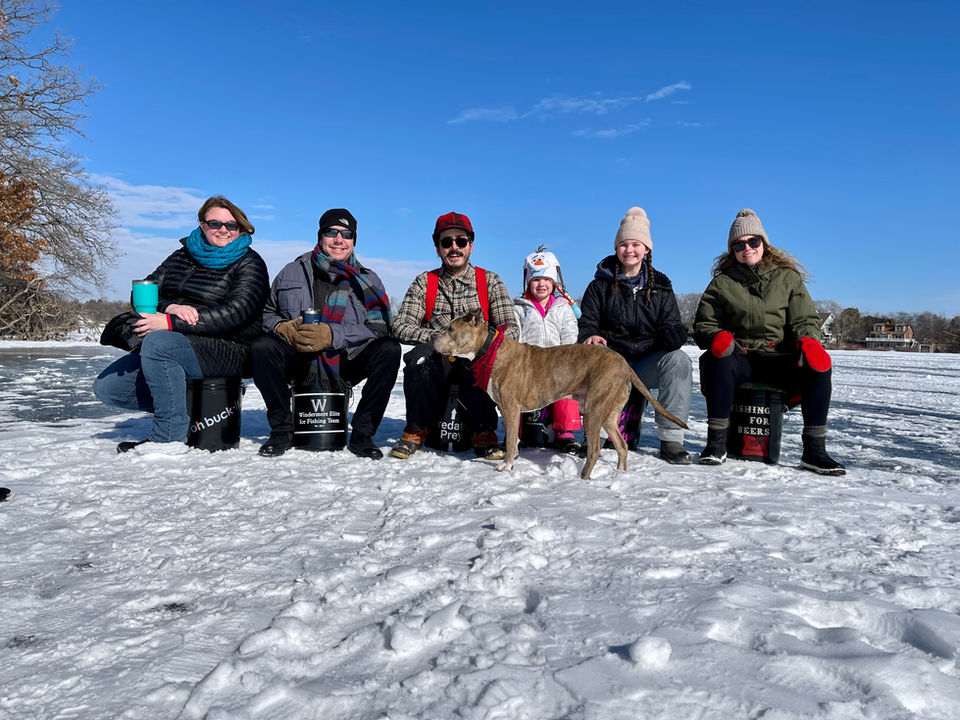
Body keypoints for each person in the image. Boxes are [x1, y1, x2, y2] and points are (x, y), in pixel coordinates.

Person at [94, 196, 269, 452]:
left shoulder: (250, 262)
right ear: (202, 225)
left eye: (231, 225)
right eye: (215, 223)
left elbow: (236, 313)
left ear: (240, 228)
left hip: (230, 347)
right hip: (177, 342)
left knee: (159, 343)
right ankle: (195, 404)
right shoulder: (181, 256)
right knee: (109, 388)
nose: (223, 230)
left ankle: (168, 437)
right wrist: (170, 307)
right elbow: (142, 292)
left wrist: (169, 322)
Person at [693, 208, 845, 474]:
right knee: (718, 360)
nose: (747, 248)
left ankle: (814, 451)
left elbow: (804, 319)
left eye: (753, 241)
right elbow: (705, 324)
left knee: (819, 365)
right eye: (739, 245)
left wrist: (809, 341)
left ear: (763, 242)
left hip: (779, 358)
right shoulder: (722, 283)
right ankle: (716, 444)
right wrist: (718, 337)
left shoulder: (788, 278)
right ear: (732, 250)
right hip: (741, 358)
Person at [251, 208, 400, 459]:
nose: (339, 240)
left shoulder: (368, 280)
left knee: (389, 348)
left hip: (346, 359)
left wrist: (333, 335)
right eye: (331, 232)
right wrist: (282, 328)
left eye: (347, 234)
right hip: (299, 357)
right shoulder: (292, 271)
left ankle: (363, 434)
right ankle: (281, 431)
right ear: (320, 236)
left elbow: (379, 328)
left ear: (353, 241)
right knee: (262, 346)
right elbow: (267, 312)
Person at [391, 211, 518, 460]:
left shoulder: (490, 281)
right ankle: (416, 429)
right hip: (439, 354)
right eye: (446, 242)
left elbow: (510, 327)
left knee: (484, 363)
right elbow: (401, 325)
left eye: (461, 241)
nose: (454, 247)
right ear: (438, 248)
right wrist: (440, 338)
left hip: (475, 356)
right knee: (418, 361)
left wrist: (480, 344)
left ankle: (484, 432)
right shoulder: (424, 282)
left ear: (471, 245)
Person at [577, 207, 692, 464]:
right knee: (595, 357)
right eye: (623, 244)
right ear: (616, 248)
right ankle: (595, 435)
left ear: (646, 249)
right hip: (612, 363)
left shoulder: (661, 285)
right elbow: (587, 322)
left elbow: (671, 323)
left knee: (679, 360)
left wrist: (673, 334)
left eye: (636, 244)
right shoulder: (599, 285)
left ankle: (671, 441)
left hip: (645, 364)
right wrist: (590, 335)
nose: (629, 250)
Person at [512, 247, 582, 454]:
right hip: (529, 365)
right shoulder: (520, 308)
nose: (541, 284)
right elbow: (515, 336)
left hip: (557, 363)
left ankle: (565, 431)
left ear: (554, 282)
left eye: (546, 279)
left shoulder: (562, 308)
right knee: (516, 388)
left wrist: (564, 359)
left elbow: (570, 334)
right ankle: (517, 431)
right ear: (528, 282)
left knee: (566, 386)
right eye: (535, 280)